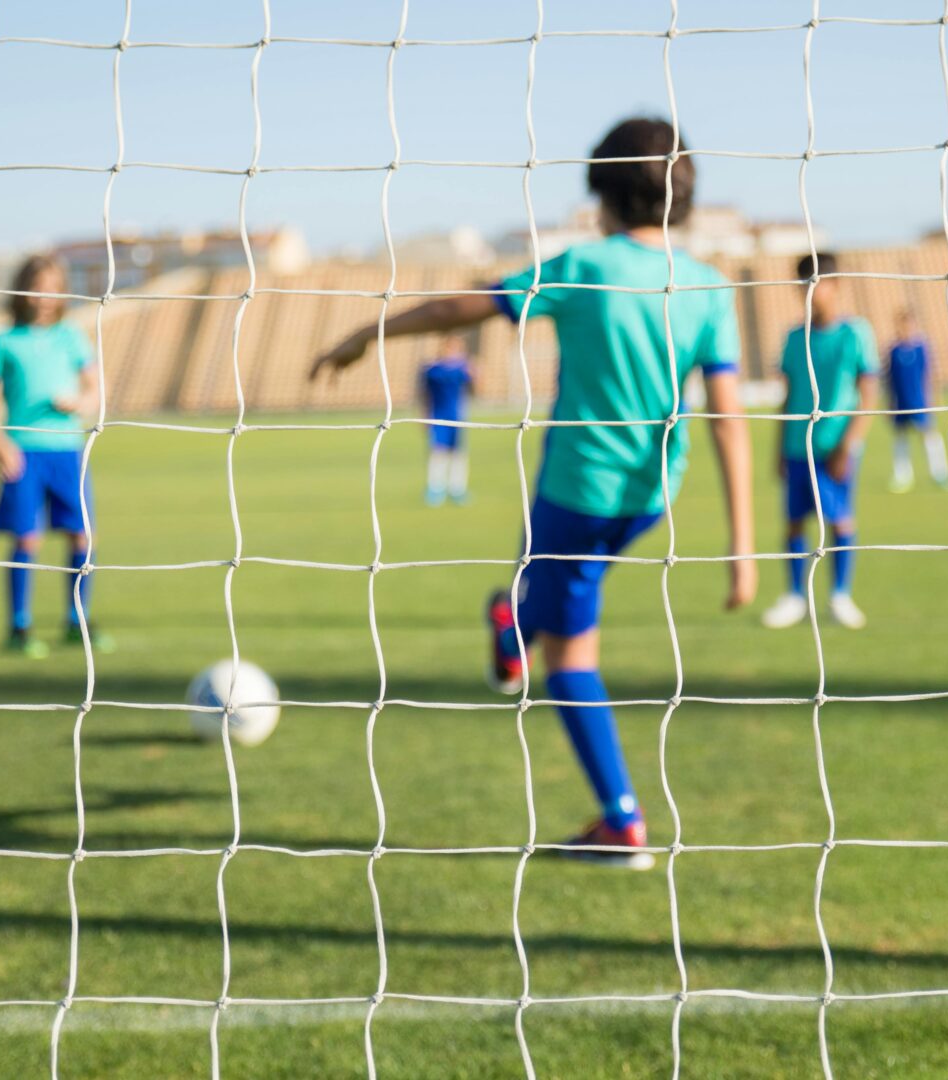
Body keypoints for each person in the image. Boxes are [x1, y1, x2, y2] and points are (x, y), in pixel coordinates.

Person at [311, 116, 756, 870]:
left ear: (599, 192)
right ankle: (512, 620)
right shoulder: (707, 286)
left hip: (577, 492)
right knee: (548, 591)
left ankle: (622, 822)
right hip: (651, 498)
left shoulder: (583, 266)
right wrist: (744, 547)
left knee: (571, 658)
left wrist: (368, 334)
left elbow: (463, 307)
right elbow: (729, 422)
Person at [0, 255, 112, 658]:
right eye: (37, 287)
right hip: (23, 450)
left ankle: (77, 621)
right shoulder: (4, 340)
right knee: (27, 537)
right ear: (22, 289)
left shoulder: (71, 336)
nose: (45, 296)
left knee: (82, 535)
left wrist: (80, 402)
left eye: (53, 287)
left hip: (67, 450)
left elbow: (94, 388)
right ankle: (19, 626)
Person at [760, 252, 879, 632]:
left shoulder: (855, 333)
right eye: (802, 285)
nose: (809, 293)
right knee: (794, 523)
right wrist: (778, 447)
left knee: (840, 521)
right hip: (798, 447)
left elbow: (869, 393)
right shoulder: (794, 338)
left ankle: (840, 595)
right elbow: (788, 395)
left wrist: (850, 444)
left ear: (836, 285)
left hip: (834, 448)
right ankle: (795, 596)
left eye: (817, 284)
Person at [886, 308, 948, 492]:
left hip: (919, 400)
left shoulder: (921, 347)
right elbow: (890, 378)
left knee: (929, 435)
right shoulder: (894, 350)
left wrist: (934, 397)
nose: (905, 328)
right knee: (900, 438)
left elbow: (929, 374)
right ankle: (902, 476)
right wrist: (890, 401)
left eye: (908, 324)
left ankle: (939, 473)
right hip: (900, 402)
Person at [418, 335, 474, 505]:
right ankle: (435, 488)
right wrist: (424, 416)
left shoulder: (463, 370)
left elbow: (475, 389)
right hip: (438, 416)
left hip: (457, 417)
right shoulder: (433, 371)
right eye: (450, 347)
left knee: (458, 453)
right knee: (438, 452)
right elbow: (424, 395)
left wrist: (477, 373)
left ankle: (457, 489)